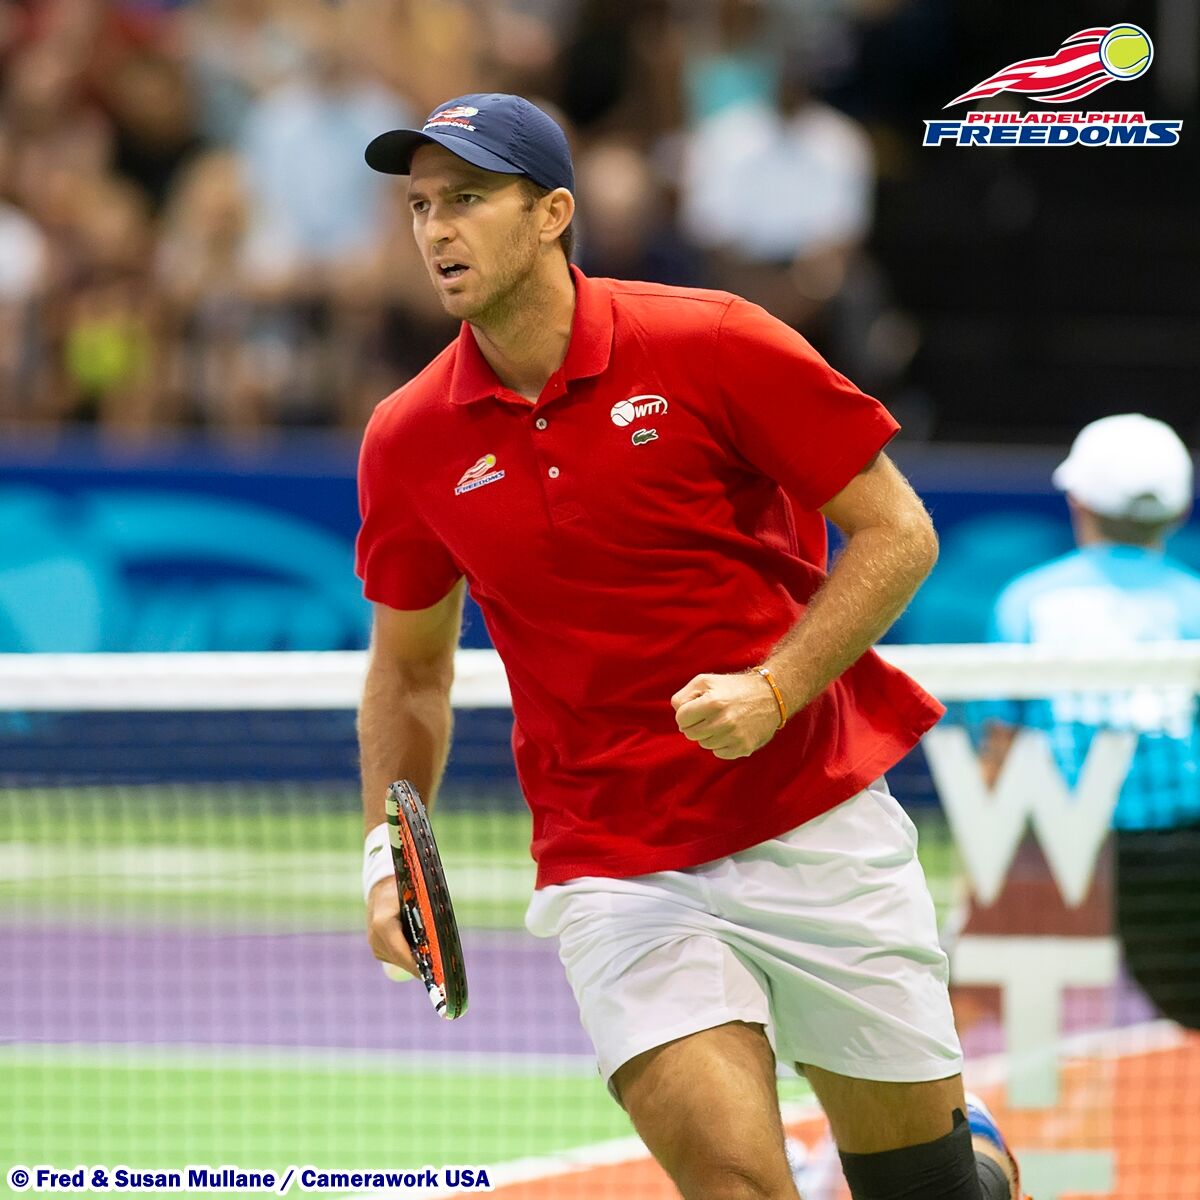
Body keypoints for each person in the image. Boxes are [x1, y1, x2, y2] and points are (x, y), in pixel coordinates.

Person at [354, 92, 1024, 1200]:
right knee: (736, 1185)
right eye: (421, 206)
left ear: (552, 213)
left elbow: (899, 533)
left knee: (931, 1190)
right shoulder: (408, 438)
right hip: (616, 861)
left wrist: (776, 688)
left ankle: (976, 1163)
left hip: (812, 814)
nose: (436, 229)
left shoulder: (711, 341)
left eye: (467, 198)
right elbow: (410, 670)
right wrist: (388, 857)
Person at [988, 413, 1200, 1031]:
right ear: (1178, 511)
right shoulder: (1195, 602)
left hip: (1063, 852)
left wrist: (989, 863)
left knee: (990, 1014)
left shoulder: (1027, 602)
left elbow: (1000, 753)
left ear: (1077, 500)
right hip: (1181, 853)